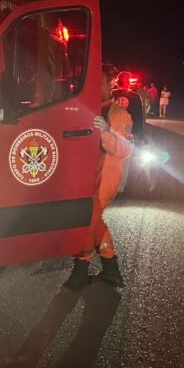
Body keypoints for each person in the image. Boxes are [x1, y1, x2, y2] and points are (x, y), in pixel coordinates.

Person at [63, 64, 134, 290]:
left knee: (88, 222)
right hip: (92, 176)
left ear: (109, 84)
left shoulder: (119, 114)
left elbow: (126, 149)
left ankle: (80, 272)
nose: (94, 86)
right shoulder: (93, 109)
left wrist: (105, 131)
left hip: (107, 178)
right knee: (96, 223)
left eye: (99, 82)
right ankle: (112, 271)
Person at [112, 70, 145, 193]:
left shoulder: (111, 94)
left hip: (111, 128)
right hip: (127, 130)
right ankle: (120, 187)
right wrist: (139, 135)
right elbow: (138, 117)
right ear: (129, 83)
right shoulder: (135, 97)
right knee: (125, 158)